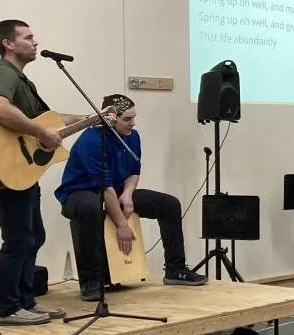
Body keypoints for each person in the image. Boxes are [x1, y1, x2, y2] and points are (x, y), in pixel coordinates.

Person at [0, 20, 90, 325]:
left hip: (25, 171)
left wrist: (89, 118)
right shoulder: (3, 73)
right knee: (18, 238)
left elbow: (50, 121)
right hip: (7, 170)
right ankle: (7, 309)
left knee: (33, 236)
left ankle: (25, 301)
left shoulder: (23, 81)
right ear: (8, 44)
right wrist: (40, 131)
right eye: (28, 37)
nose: (35, 42)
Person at [55, 95, 207, 300]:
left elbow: (134, 170)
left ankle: (175, 269)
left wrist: (128, 193)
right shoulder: (91, 141)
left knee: (169, 204)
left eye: (134, 118)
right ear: (110, 118)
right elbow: (105, 188)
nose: (133, 123)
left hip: (116, 189)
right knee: (90, 208)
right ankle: (91, 281)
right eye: (127, 119)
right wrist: (122, 225)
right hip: (80, 191)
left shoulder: (132, 136)